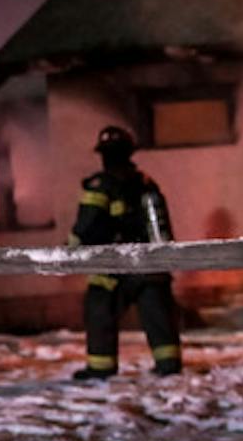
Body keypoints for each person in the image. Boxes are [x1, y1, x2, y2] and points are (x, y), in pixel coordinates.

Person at [69, 124, 182, 381]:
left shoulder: (100, 186)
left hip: (113, 267)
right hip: (150, 264)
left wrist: (69, 253)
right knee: (158, 315)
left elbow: (86, 225)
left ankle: (101, 367)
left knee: (99, 309)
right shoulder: (146, 183)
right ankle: (169, 364)